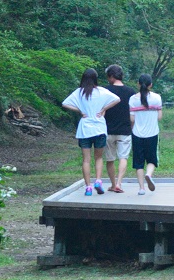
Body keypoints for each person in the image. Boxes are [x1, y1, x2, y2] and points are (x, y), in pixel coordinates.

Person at [61, 68, 120, 196]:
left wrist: (80, 110)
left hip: (85, 130)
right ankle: (98, 180)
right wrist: (103, 109)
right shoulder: (101, 91)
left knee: (86, 160)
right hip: (99, 128)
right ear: (95, 79)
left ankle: (88, 187)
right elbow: (117, 99)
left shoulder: (79, 92)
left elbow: (65, 103)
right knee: (98, 158)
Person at [129, 74, 162, 195]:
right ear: (151, 85)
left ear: (138, 84)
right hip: (152, 133)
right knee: (152, 159)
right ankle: (148, 174)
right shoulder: (157, 98)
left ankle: (141, 188)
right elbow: (159, 117)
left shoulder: (133, 99)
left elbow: (132, 119)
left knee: (138, 163)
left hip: (137, 134)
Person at [102, 64, 132, 193]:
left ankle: (113, 184)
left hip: (108, 130)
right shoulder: (131, 92)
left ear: (111, 76)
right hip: (125, 130)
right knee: (123, 158)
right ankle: (119, 183)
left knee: (110, 159)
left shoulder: (104, 91)